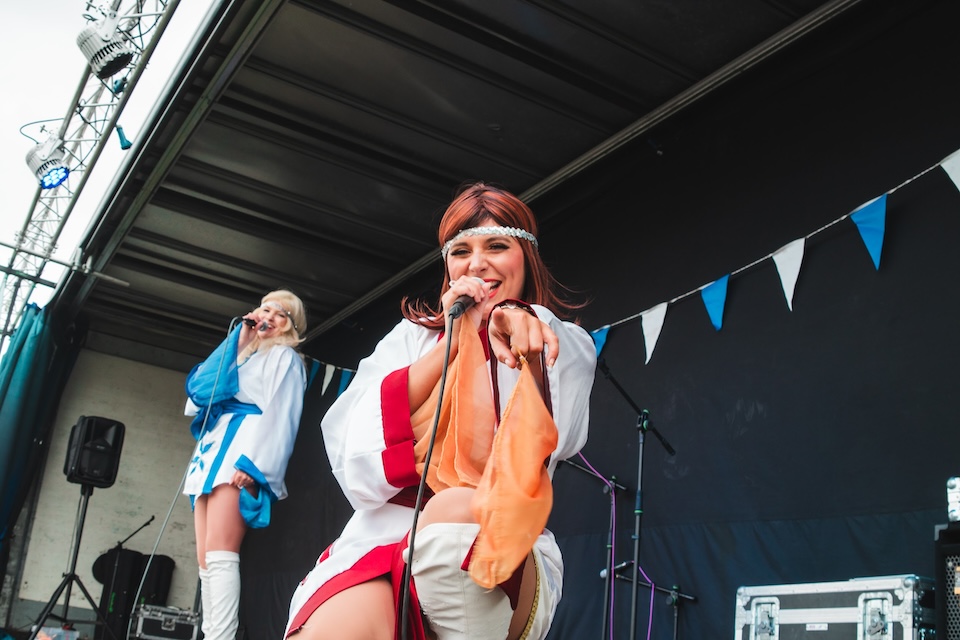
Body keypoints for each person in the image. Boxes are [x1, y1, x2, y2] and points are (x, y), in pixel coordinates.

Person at [285, 183, 596, 640]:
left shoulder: (555, 335)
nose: (477, 264)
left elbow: (553, 435)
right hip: (383, 537)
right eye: (461, 251)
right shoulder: (410, 339)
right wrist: (452, 343)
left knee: (454, 514)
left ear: (526, 257)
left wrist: (516, 323)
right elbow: (356, 460)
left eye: (496, 246)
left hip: (490, 535)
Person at [183, 289, 308, 640]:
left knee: (221, 552)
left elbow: (282, 413)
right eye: (265, 309)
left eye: (280, 314)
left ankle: (221, 636)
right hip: (212, 454)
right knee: (205, 558)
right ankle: (212, 633)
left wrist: (255, 465)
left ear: (289, 326)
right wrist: (238, 341)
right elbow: (198, 397)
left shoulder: (285, 357)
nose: (269, 317)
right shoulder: (241, 357)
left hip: (241, 451)